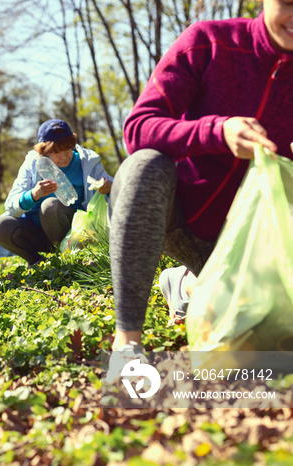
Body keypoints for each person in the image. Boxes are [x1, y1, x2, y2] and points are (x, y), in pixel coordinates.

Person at [108, 0, 293, 366]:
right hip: (183, 221)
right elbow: (139, 128)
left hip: (260, 247)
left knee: (264, 340)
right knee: (145, 166)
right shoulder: (209, 43)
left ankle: (189, 285)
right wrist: (218, 131)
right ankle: (127, 342)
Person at [0, 119, 112, 266]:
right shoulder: (32, 164)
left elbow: (117, 190)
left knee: (50, 206)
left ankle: (69, 261)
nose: (63, 156)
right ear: (43, 151)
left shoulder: (88, 162)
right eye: (56, 151)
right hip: (37, 233)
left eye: (67, 149)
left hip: (75, 233)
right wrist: (34, 194)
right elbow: (11, 204)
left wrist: (108, 188)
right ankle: (37, 262)